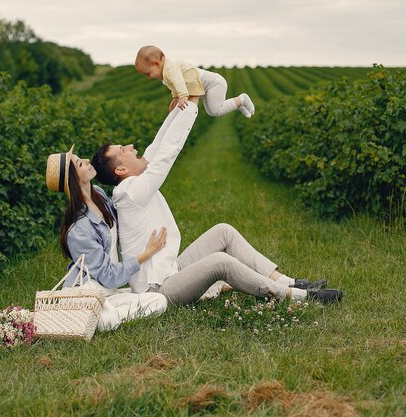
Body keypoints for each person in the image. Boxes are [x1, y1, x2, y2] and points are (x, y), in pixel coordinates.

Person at [91, 101, 343, 306]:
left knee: (223, 231)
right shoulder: (131, 191)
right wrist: (192, 107)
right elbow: (167, 154)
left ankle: (290, 282)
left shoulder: (134, 184)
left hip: (171, 269)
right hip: (159, 288)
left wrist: (177, 111)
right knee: (220, 262)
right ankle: (297, 297)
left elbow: (155, 148)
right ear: (122, 169)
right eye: (124, 149)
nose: (132, 146)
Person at [45, 145, 169, 331]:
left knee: (158, 300)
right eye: (80, 163)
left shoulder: (99, 196)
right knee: (156, 302)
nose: (87, 161)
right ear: (74, 179)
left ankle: (104, 316)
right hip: (88, 291)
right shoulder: (79, 230)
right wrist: (147, 253)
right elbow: (108, 276)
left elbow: (126, 218)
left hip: (108, 291)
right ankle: (93, 318)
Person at [135, 45, 256, 118]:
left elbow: (178, 81)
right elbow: (174, 85)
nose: (149, 77)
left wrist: (183, 96)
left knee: (215, 110)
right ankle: (238, 104)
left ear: (156, 63)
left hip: (214, 84)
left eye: (148, 73)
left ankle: (242, 100)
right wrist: (176, 97)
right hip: (209, 87)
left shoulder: (170, 68)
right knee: (211, 112)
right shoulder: (165, 72)